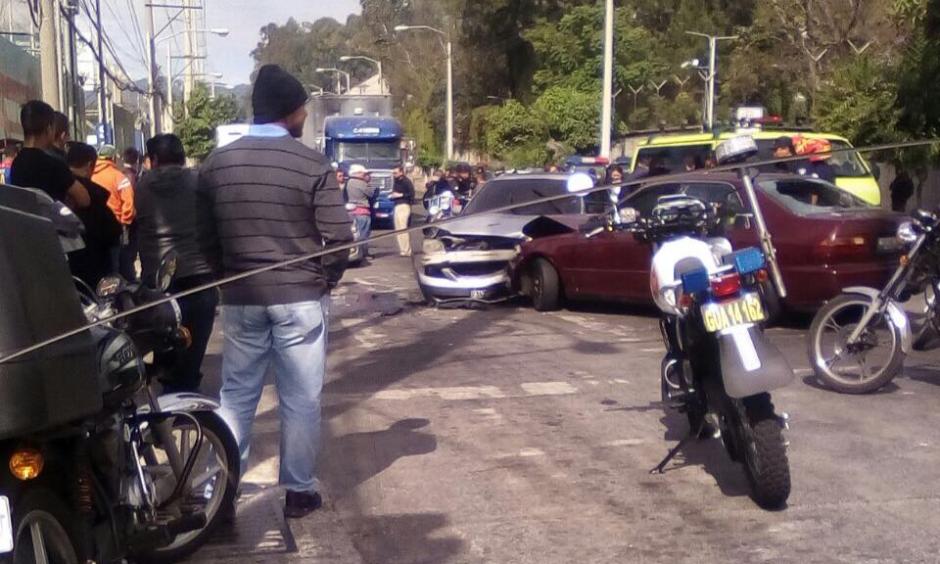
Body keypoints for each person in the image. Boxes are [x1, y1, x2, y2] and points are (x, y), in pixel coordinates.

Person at [197, 64, 352, 519]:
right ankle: (299, 492)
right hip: (301, 297)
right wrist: (324, 279)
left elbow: (205, 241)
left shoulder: (215, 164)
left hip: (241, 298)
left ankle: (223, 493)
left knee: (237, 395)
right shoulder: (312, 164)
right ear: (291, 111)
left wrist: (225, 277)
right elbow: (341, 238)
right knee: (300, 398)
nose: (305, 115)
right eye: (303, 107)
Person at [137, 134, 218, 393]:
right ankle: (188, 411)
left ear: (154, 159)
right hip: (199, 280)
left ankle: (168, 410)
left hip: (158, 287)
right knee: (191, 359)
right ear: (182, 156)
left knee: (166, 354)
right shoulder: (200, 182)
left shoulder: (140, 186)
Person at [10, 100, 90, 210]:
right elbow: (84, 199)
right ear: (49, 128)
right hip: (53, 225)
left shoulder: (16, 163)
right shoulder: (53, 164)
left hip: (24, 224)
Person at [65, 142, 122, 287]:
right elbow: (114, 233)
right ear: (90, 165)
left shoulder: (55, 190)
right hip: (95, 276)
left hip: (65, 274)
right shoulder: (95, 196)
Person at [93, 144, 137, 280]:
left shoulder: (91, 176)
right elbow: (129, 204)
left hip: (95, 230)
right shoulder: (118, 177)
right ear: (112, 158)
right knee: (121, 262)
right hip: (116, 228)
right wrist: (125, 223)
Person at [345, 164, 374, 260]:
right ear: (357, 173)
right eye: (364, 173)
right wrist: (368, 182)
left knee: (355, 234)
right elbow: (371, 193)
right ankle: (364, 254)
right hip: (362, 211)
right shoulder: (361, 183)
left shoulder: (349, 182)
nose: (366, 175)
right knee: (363, 234)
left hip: (351, 211)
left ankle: (356, 252)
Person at [390, 164, 415, 257]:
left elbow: (411, 194)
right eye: (393, 173)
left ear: (401, 172)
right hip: (397, 205)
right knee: (398, 229)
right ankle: (402, 250)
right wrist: (392, 196)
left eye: (395, 173)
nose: (394, 174)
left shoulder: (406, 181)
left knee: (403, 228)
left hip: (404, 205)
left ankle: (407, 250)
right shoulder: (396, 181)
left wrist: (401, 195)